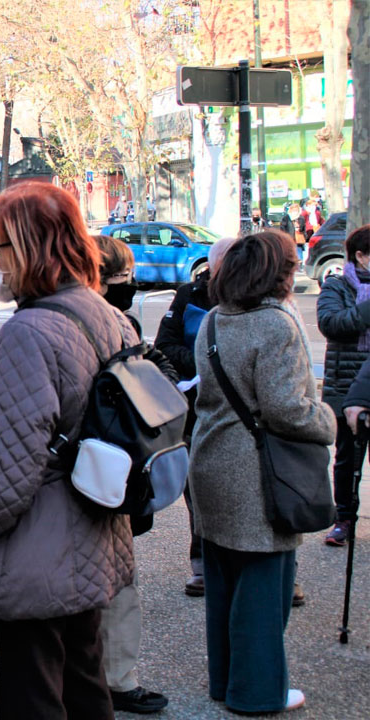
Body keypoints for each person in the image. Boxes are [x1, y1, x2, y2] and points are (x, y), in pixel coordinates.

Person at [0, 182, 134, 720]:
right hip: (94, 529)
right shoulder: (104, 313)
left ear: (29, 249)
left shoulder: (30, 332)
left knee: (36, 696)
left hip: (37, 551)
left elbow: (5, 480)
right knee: (84, 682)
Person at [189, 230, 334, 714]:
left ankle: (227, 682)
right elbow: (287, 409)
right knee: (264, 587)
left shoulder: (212, 320)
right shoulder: (276, 325)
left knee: (224, 582)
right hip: (257, 471)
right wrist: (328, 418)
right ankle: (257, 693)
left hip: (209, 462)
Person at [94, 235, 173, 715]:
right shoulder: (105, 325)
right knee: (111, 583)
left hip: (114, 471)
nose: (131, 286)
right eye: (123, 278)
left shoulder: (121, 324)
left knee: (116, 581)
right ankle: (113, 680)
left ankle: (114, 677)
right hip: (104, 471)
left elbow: (159, 369)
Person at [154, 237, 238, 598]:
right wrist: (205, 361)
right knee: (198, 489)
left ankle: (267, 564)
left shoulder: (253, 299)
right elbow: (165, 347)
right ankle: (202, 564)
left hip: (238, 413)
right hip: (194, 407)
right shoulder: (190, 294)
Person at [317, 225, 370, 547]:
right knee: (348, 458)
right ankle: (344, 519)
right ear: (361, 256)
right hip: (346, 385)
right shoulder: (336, 285)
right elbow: (332, 324)